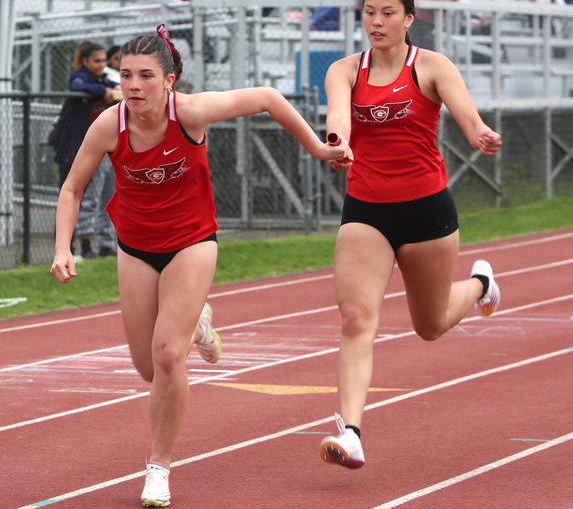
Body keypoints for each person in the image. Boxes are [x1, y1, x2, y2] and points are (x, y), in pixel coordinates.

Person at [50, 25, 349, 507]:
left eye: (145, 76)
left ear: (169, 81)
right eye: (125, 75)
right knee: (149, 369)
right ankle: (200, 326)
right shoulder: (109, 125)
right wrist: (63, 247)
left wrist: (317, 148)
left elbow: (270, 97)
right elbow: (71, 190)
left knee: (169, 356)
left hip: (191, 242)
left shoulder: (189, 112)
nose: (133, 86)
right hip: (135, 247)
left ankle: (158, 468)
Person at [317, 0, 502, 471]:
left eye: (387, 13)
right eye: (369, 12)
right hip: (366, 211)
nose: (376, 22)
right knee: (357, 319)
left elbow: (466, 115)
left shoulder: (433, 66)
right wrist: (338, 141)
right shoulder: (345, 70)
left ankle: (482, 284)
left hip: (426, 210)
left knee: (431, 325)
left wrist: (481, 133)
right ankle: (351, 432)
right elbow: (339, 114)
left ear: (409, 18)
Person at [49, 41, 119, 259]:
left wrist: (110, 90)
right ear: (85, 61)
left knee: (107, 194)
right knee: (78, 195)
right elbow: (78, 87)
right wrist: (103, 91)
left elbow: (116, 89)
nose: (102, 64)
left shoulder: (103, 77)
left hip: (103, 147)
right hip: (76, 147)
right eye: (97, 61)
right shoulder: (80, 77)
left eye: (103, 61)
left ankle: (106, 244)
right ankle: (76, 246)